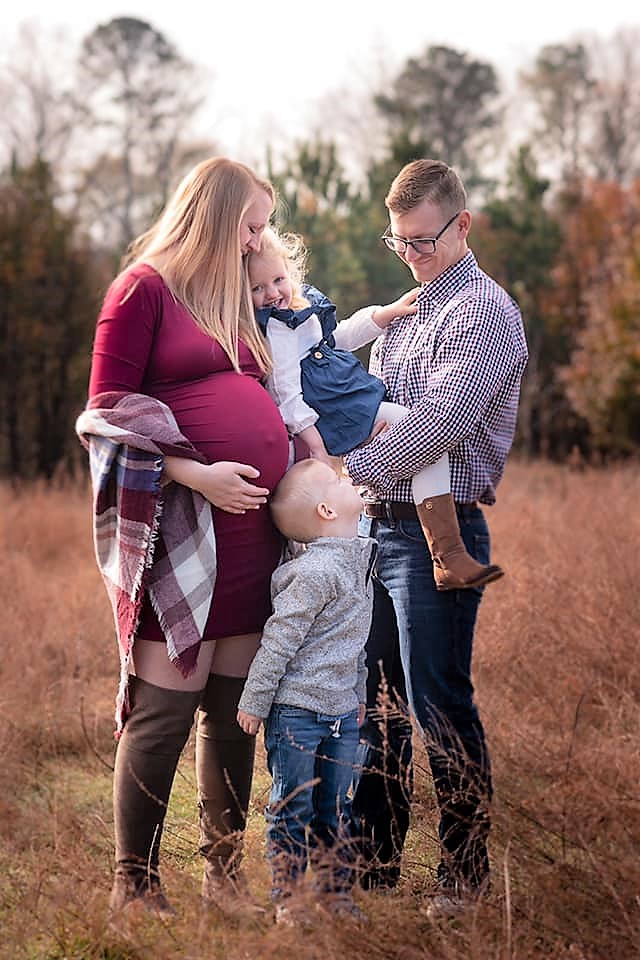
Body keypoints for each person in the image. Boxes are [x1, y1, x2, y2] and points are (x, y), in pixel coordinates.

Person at [76, 156, 293, 924]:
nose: (258, 241)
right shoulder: (141, 291)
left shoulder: (232, 294)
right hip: (182, 530)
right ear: (216, 213)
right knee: (164, 713)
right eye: (253, 224)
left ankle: (224, 881)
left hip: (252, 535)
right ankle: (133, 886)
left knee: (234, 715)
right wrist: (198, 477)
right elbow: (105, 422)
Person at [343, 158, 528, 916]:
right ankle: (373, 866)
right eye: (399, 243)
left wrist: (344, 471)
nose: (412, 254)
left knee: (437, 703)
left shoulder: (483, 311)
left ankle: (463, 873)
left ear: (463, 224)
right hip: (374, 530)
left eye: (422, 240)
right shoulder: (410, 310)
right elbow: (373, 402)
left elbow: (440, 427)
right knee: (374, 704)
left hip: (436, 538)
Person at [248, 228, 502, 591]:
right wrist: (317, 445)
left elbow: (341, 338)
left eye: (278, 280)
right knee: (420, 436)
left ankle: (446, 554)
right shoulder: (276, 331)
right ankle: (447, 553)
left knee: (419, 442)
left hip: (344, 402)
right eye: (258, 288)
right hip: (333, 413)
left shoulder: (300, 314)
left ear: (291, 275)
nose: (273, 293)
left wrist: (385, 315)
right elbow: (286, 394)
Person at [236, 458, 376, 925]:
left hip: (340, 713)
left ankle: (336, 895)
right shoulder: (314, 573)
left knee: (337, 808)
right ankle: (288, 898)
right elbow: (279, 640)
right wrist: (256, 701)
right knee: (293, 805)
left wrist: (357, 693)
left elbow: (354, 643)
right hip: (297, 711)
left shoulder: (358, 562)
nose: (348, 478)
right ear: (326, 510)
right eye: (337, 481)